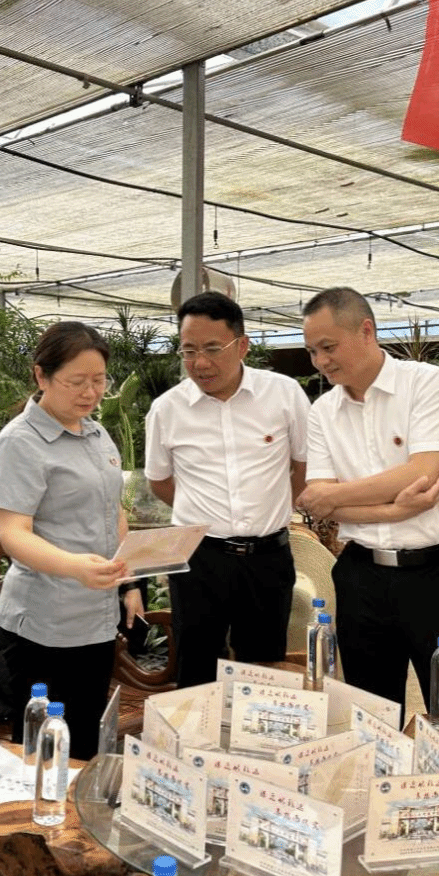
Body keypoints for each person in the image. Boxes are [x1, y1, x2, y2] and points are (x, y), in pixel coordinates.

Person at [296, 286, 439, 869]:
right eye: (312, 352)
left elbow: (424, 471)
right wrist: (393, 505)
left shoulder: (426, 383)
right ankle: (382, 852)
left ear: (366, 331)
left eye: (329, 347)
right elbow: (317, 500)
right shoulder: (323, 411)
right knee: (372, 723)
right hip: (361, 576)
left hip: (437, 575)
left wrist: (346, 499)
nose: (321, 361)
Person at [0, 321, 144, 761]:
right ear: (42, 376)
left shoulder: (95, 432)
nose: (90, 393)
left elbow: (113, 511)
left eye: (99, 380)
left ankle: (77, 804)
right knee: (43, 748)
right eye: (76, 382)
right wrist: (75, 567)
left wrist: (129, 581)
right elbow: (13, 533)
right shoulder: (20, 443)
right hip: (45, 622)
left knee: (85, 740)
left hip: (96, 615)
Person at [144, 291, 309, 685]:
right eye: (189, 350)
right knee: (196, 667)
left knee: (264, 671)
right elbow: (159, 481)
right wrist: (204, 516)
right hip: (199, 561)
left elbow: (304, 463)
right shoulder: (167, 409)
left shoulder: (283, 394)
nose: (200, 363)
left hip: (266, 558)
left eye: (213, 348)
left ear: (242, 346)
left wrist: (276, 508)